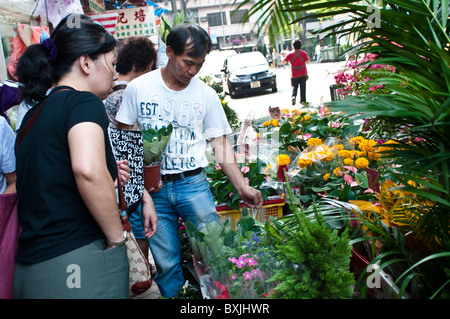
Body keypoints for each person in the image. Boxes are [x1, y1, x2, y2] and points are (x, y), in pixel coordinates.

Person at [13, 13, 157, 299]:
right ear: (86, 62)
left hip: (30, 271)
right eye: (112, 63)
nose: (116, 74)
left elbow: (52, 177)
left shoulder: (32, 115)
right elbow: (87, 170)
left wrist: (110, 174)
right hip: (75, 265)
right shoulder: (82, 101)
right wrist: (118, 241)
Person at [115, 23, 263, 298]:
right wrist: (139, 190)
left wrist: (242, 186)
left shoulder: (205, 94)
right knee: (167, 263)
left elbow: (219, 143)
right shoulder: (139, 88)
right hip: (154, 193)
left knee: (216, 252)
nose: (193, 71)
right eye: (188, 63)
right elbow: (125, 136)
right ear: (169, 52)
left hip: (192, 185)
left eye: (200, 65)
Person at [104, 35, 158, 274]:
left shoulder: (107, 95)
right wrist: (144, 192)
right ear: (136, 68)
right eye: (148, 69)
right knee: (137, 235)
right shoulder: (127, 96)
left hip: (115, 182)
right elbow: (134, 148)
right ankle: (141, 277)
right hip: (128, 184)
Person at [104, 36, 157, 128]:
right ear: (135, 67)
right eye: (148, 69)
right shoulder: (127, 94)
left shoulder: (105, 87)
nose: (149, 74)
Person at [283, 39, 311, 105]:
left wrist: (283, 56)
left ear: (293, 46)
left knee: (294, 87)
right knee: (303, 89)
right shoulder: (304, 53)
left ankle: (293, 96)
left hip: (294, 74)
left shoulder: (290, 54)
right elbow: (308, 61)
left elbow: (284, 61)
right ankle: (303, 102)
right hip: (303, 73)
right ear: (300, 45)